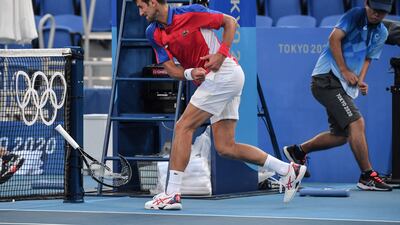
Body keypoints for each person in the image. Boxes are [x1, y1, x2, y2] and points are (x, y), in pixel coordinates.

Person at [135, 0, 307, 210]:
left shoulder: (191, 13)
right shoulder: (152, 32)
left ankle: (171, 194)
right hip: (215, 79)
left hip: (224, 74)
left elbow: (230, 21)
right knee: (226, 147)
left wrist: (220, 53)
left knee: (183, 127)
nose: (140, 12)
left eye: (142, 6)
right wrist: (190, 73)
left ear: (153, 3)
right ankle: (288, 170)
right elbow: (171, 70)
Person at [283, 0, 393, 191]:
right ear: (367, 4)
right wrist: (344, 70)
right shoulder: (355, 15)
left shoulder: (381, 32)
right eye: (375, 10)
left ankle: (298, 151)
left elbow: (368, 58)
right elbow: (334, 39)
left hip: (341, 85)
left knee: (341, 136)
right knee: (357, 123)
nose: (377, 15)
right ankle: (367, 175)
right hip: (326, 79)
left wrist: (360, 80)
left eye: (382, 12)